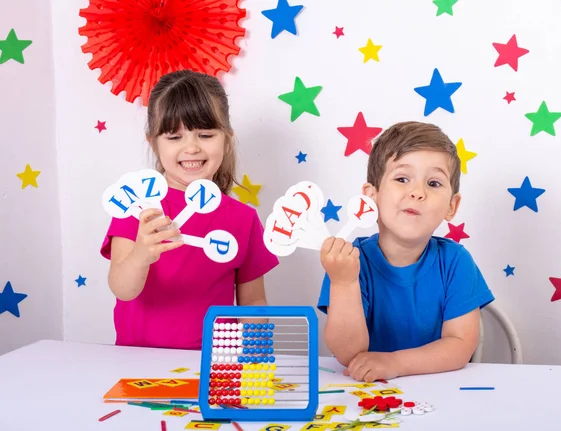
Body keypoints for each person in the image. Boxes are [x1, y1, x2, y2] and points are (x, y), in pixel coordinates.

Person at [100, 70, 278, 350]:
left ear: (226, 138)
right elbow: (122, 289)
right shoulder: (136, 207)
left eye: (205, 134)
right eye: (174, 137)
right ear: (154, 144)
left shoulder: (243, 219)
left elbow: (253, 301)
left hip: (214, 364)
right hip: (136, 362)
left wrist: (254, 359)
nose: (191, 147)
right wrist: (141, 255)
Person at [317, 121, 494, 381]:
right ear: (371, 195)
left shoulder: (456, 261)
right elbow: (348, 353)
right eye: (402, 179)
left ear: (451, 206)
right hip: (363, 396)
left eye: (433, 183)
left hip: (441, 394)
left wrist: (395, 363)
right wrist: (343, 282)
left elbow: (460, 345)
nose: (417, 193)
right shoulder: (350, 261)